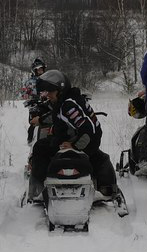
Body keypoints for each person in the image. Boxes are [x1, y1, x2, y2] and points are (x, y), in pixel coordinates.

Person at [27, 69, 118, 203]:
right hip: (86, 140)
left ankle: (37, 189)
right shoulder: (68, 100)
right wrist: (40, 120)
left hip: (85, 141)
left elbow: (88, 129)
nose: (48, 95)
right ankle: (106, 187)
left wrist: (75, 145)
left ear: (60, 90)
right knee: (100, 158)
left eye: (50, 91)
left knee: (40, 148)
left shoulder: (68, 105)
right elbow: (59, 116)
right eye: (46, 92)